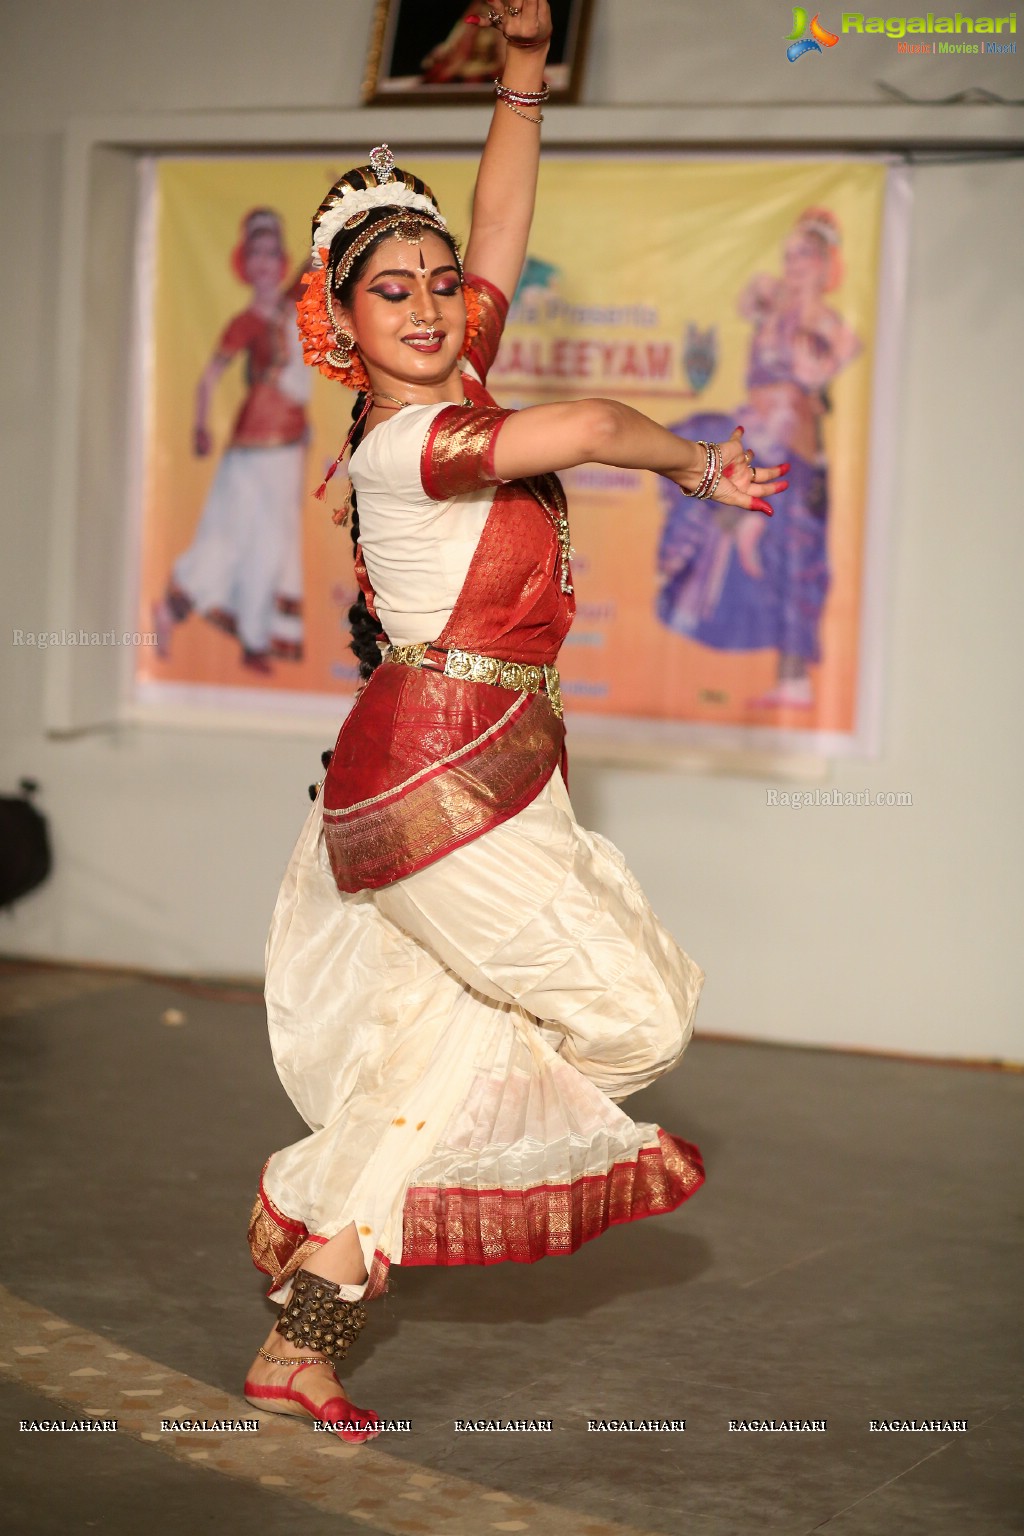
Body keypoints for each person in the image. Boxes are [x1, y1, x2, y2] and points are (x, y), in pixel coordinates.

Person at [243, 0, 787, 1444]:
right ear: (339, 324)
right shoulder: (410, 441)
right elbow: (605, 426)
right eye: (392, 293)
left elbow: (497, 221)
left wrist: (528, 81)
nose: (430, 304)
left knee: (442, 1052)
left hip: (486, 775)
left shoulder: (450, 367)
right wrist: (699, 466)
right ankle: (344, 1226)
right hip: (436, 793)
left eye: (437, 286)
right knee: (635, 1016)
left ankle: (309, 1327)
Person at [656, 207, 861, 712]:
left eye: (804, 256)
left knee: (791, 559)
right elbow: (747, 298)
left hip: (790, 450)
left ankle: (795, 679)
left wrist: (803, 384)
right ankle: (697, 609)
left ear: (824, 263)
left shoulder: (831, 328)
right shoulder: (773, 309)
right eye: (788, 255)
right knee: (693, 474)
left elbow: (811, 384)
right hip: (756, 434)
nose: (792, 264)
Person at [153, 208, 312, 674]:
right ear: (245, 263)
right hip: (254, 442)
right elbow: (208, 380)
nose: (262, 262)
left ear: (278, 260)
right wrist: (199, 426)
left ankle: (255, 639)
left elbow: (315, 271)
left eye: (270, 253)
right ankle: (172, 607)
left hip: (288, 442)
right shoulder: (248, 321)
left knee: (274, 539)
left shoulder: (289, 311)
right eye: (254, 253)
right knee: (232, 532)